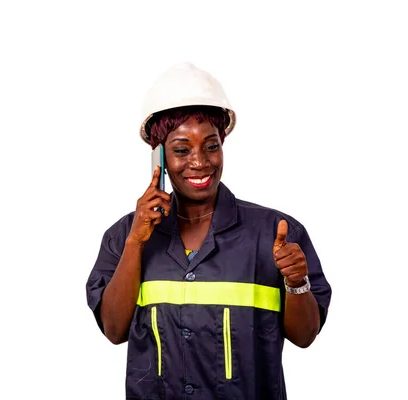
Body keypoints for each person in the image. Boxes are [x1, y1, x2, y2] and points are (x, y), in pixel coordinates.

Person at [86, 62, 332, 399]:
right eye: (181, 150)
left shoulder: (274, 233)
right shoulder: (124, 236)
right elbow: (114, 330)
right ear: (158, 156)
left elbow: (305, 336)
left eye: (211, 146)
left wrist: (297, 282)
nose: (200, 161)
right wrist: (136, 242)